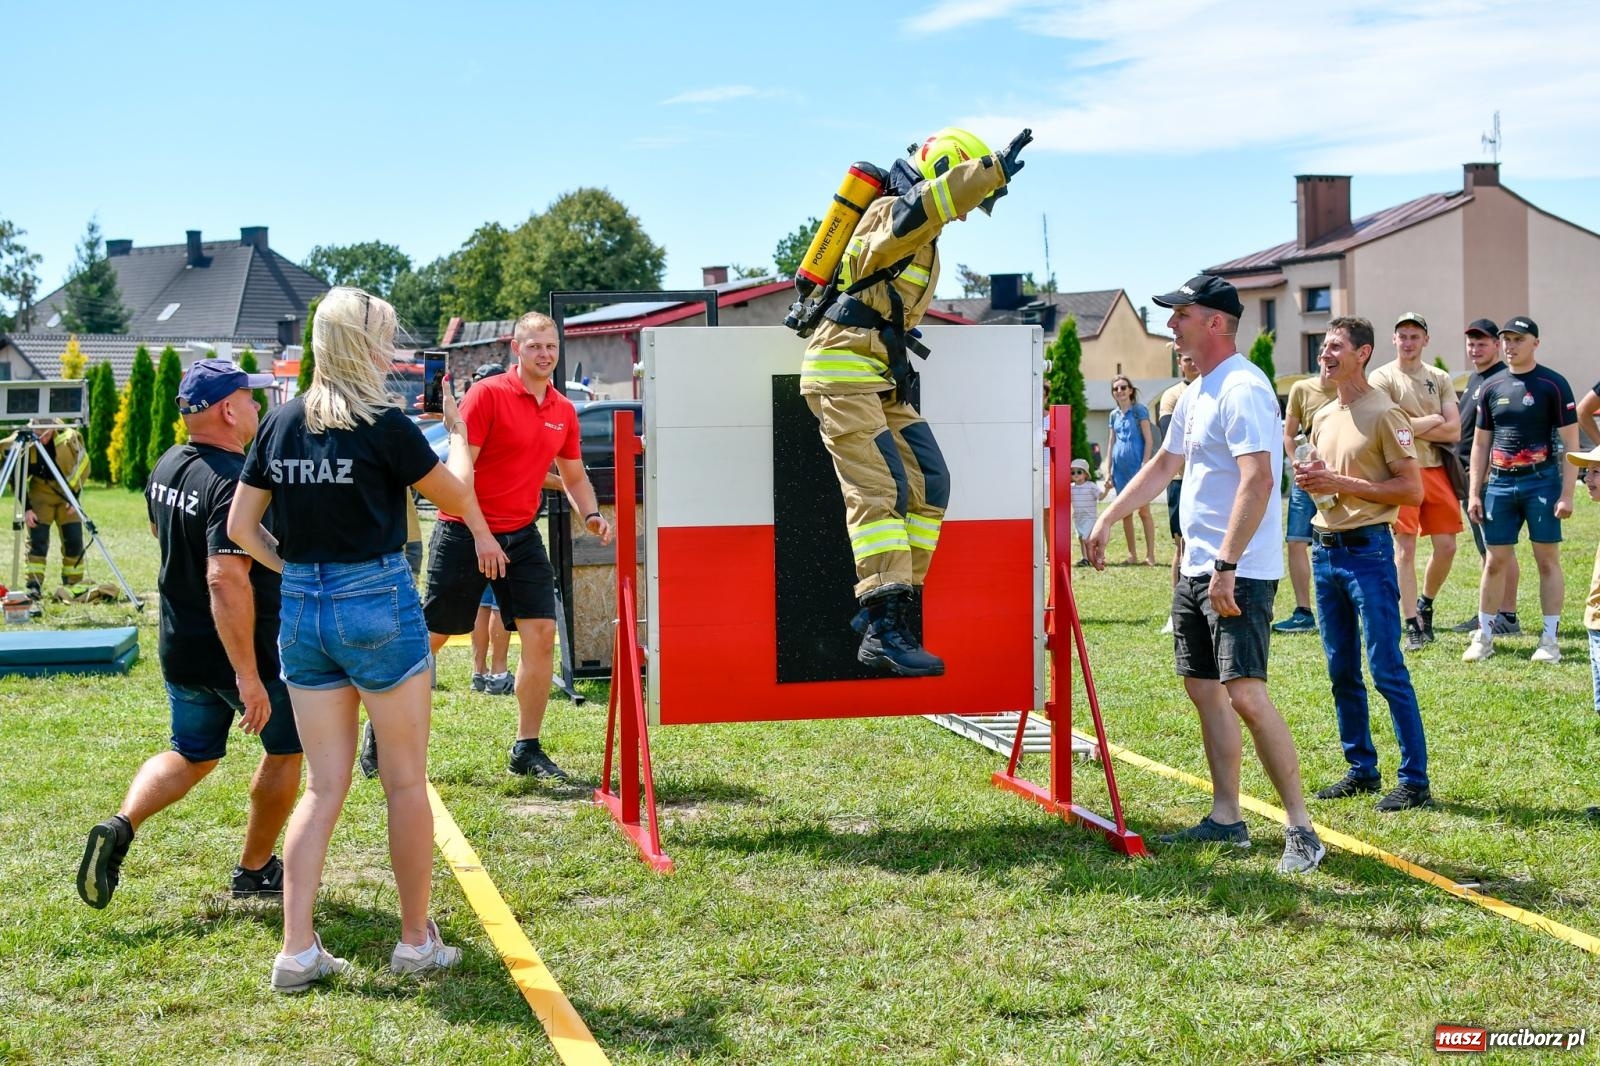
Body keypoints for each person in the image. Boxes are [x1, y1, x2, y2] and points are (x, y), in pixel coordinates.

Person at [228, 286, 497, 992]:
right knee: (404, 782)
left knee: (322, 788)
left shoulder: (280, 422)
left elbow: (240, 528)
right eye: (385, 337)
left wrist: (298, 572)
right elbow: (457, 497)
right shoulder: (384, 423)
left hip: (302, 608)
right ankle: (414, 942)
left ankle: (296, 950)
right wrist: (459, 435)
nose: (392, 349)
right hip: (376, 599)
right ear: (364, 344)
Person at [1090, 274, 1325, 875]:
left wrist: (1226, 565)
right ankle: (1227, 818)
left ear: (1215, 322)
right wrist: (1109, 516)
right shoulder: (1197, 391)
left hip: (1236, 570)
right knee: (1204, 689)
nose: (1171, 325)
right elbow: (1163, 465)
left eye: (1181, 315)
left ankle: (1302, 830)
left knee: (1245, 694)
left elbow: (1259, 480)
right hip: (1198, 566)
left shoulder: (1243, 388)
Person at [801, 126, 1030, 677]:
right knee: (879, 491)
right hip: (842, 374)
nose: (968, 215)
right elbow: (929, 204)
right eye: (971, 200)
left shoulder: (921, 233)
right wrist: (989, 173)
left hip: (876, 376)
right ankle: (882, 628)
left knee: (930, 482)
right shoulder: (892, 213)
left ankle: (893, 604)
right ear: (948, 170)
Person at [76, 359, 302, 910]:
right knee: (286, 750)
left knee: (192, 754)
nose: (257, 406)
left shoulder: (168, 463)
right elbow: (224, 577)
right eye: (249, 398)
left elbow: (160, 530)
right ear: (227, 410)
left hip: (181, 645)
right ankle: (255, 870)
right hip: (244, 651)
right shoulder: (234, 482)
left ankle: (121, 825)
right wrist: (248, 676)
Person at [418, 311, 612, 780]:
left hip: (521, 534)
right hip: (464, 529)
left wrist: (590, 513)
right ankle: (382, 731)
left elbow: (573, 476)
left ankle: (527, 747)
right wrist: (482, 536)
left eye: (551, 346)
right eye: (535, 346)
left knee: (541, 633)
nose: (545, 354)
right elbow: (462, 477)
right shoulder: (488, 395)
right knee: (434, 637)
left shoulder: (563, 410)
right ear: (516, 349)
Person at [1296, 317, 1431, 812]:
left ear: (1363, 353)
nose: (1325, 355)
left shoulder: (1385, 413)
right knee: (1341, 670)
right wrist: (1315, 480)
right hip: (1325, 552)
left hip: (1368, 554)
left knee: (1386, 668)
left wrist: (1340, 483)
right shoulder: (1323, 414)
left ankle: (1414, 781)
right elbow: (1328, 478)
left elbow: (1411, 490)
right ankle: (1361, 769)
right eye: (1322, 347)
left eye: (1335, 347)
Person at [1463, 317, 1578, 664]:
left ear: (1535, 343)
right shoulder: (1491, 386)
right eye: (1507, 340)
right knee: (1494, 561)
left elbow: (1571, 443)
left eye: (1518, 339)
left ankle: (1550, 640)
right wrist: (1474, 492)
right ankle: (1484, 636)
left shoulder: (1553, 384)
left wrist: (1567, 494)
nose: (1511, 346)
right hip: (1499, 483)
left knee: (1547, 561)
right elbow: (1480, 444)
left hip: (1541, 481)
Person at [1368, 312, 1460, 650]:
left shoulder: (1440, 377)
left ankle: (1425, 604)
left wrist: (1412, 424)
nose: (1408, 342)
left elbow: (1454, 430)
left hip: (1436, 470)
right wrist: (1434, 419)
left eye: (1415, 336)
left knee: (1447, 547)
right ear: (1394, 339)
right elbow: (1390, 427)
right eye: (1403, 336)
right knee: (1404, 549)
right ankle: (1411, 624)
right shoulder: (1381, 377)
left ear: (1426, 340)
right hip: (1401, 470)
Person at [1449, 319, 1521, 635]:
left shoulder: (1502, 379)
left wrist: (1489, 470)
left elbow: (1506, 429)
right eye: (1471, 344)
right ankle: (1488, 613)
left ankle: (1507, 615)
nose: (1475, 349)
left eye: (1482, 344)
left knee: (1499, 549)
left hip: (1490, 478)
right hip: (1471, 476)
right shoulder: (1477, 378)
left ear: (1496, 345)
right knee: (1487, 549)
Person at [1273, 373, 1340, 635]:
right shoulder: (1301, 389)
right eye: (1324, 354)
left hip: (1337, 477)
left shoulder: (1352, 388)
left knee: (1338, 540)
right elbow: (1289, 435)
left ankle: (1339, 610)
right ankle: (1303, 612)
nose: (1328, 359)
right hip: (1306, 479)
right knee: (1296, 541)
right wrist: (1296, 462)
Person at [1, 424, 88, 600]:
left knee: (74, 538)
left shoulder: (68, 437)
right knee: (37, 539)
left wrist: (74, 497)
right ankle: (34, 585)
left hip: (66, 490)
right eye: (38, 433)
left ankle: (73, 584)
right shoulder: (23, 440)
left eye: (46, 434)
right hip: (40, 490)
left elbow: (83, 466)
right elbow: (16, 477)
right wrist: (27, 509)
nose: (42, 438)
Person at [1155, 350, 1198, 631]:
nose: (1193, 363)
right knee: (1182, 546)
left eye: (1195, 357)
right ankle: (1178, 612)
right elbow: (1171, 440)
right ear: (1179, 363)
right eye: (1187, 359)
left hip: (1208, 480)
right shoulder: (1172, 396)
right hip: (1181, 481)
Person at [1104, 375, 1159, 566]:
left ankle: (1150, 556)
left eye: (1123, 387)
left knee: (1144, 511)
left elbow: (1149, 439)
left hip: (1138, 467)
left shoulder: (1139, 411)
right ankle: (1132, 555)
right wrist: (1108, 469)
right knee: (1125, 513)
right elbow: (1111, 442)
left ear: (1130, 390)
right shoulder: (1113, 415)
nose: (1119, 391)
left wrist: (1145, 464)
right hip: (1120, 470)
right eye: (1116, 389)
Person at [1069, 458, 1104, 567]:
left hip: (1089, 518)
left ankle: (1096, 555)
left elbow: (1101, 497)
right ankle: (1085, 558)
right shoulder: (1071, 487)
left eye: (1079, 472)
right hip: (1078, 518)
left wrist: (1107, 489)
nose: (1075, 474)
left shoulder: (1091, 486)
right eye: (1073, 472)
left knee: (1086, 538)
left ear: (1085, 474)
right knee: (1081, 538)